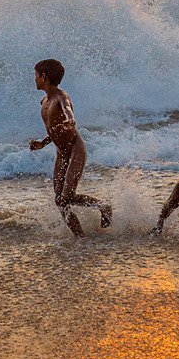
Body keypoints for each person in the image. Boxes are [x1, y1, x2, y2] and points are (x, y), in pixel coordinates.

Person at [29, 59, 112, 237]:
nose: (34, 79)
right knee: (60, 201)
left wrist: (70, 119)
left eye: (36, 76)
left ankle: (103, 205)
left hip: (75, 149)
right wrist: (43, 143)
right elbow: (53, 127)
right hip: (61, 153)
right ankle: (80, 237)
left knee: (67, 196)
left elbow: (67, 110)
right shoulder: (44, 101)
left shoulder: (61, 96)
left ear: (44, 77)